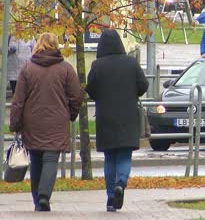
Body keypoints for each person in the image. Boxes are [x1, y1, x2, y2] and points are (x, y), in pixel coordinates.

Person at [9, 32, 83, 211]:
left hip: (32, 122)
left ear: (38, 45)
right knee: (51, 159)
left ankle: (37, 200)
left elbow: (18, 100)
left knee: (36, 159)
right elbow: (76, 96)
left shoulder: (27, 69)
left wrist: (15, 123)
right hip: (57, 122)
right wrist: (70, 115)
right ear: (56, 45)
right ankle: (44, 196)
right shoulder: (66, 69)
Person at [85, 29, 148, 212]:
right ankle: (121, 182)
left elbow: (91, 90)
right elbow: (143, 85)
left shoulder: (98, 65)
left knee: (109, 157)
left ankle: (111, 197)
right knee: (124, 154)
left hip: (106, 116)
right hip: (128, 116)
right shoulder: (130, 63)